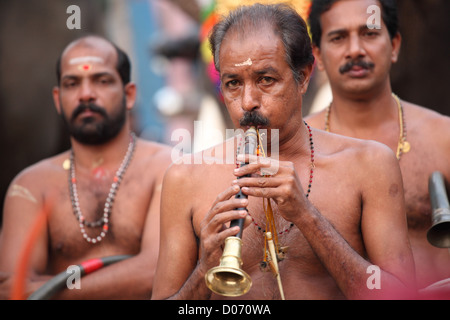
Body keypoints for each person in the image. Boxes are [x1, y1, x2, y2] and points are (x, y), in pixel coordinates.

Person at [151, 3, 415, 300]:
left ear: (303, 77)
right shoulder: (183, 178)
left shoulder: (371, 165)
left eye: (266, 80)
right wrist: (204, 268)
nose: (248, 101)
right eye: (233, 84)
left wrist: (307, 217)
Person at [0, 35, 172, 299]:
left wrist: (50, 290)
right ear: (58, 99)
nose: (86, 94)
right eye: (72, 83)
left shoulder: (167, 167)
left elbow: (157, 272)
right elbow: (12, 289)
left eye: (102, 81)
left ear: (129, 95)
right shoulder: (31, 185)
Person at [305, 0, 450, 297]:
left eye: (369, 33)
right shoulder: (298, 146)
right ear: (317, 55)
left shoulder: (443, 138)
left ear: (394, 45)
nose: (355, 49)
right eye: (338, 37)